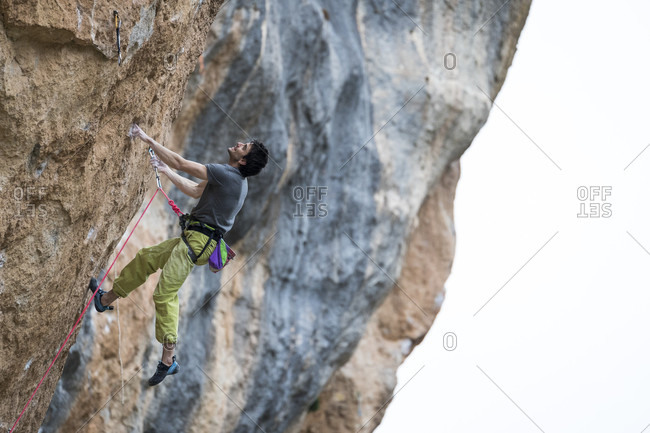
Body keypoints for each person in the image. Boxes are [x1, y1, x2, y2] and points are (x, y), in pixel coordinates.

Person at [88, 124, 269, 386]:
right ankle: (104, 299)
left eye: (244, 146)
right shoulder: (232, 179)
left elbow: (182, 162)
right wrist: (166, 171)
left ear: (242, 160)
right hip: (196, 240)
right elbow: (196, 190)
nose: (239, 143)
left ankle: (168, 359)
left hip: (197, 242)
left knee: (164, 294)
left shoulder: (227, 175)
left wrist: (146, 138)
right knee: (146, 258)